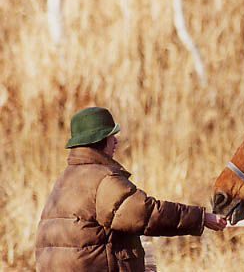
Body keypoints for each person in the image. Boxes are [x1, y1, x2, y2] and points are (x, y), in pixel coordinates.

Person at [35, 107, 227, 271]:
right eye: (111, 136)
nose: (116, 141)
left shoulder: (65, 178)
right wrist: (201, 218)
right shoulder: (102, 180)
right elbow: (147, 214)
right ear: (99, 140)